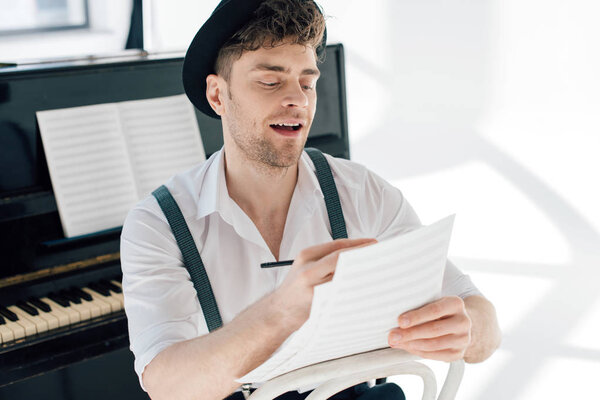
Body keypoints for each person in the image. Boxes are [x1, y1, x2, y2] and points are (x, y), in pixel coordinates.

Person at [120, 0, 502, 399]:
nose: (298, 100)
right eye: (271, 81)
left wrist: (466, 330)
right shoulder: (158, 223)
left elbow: (484, 323)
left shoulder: (363, 192)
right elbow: (168, 386)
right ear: (218, 95)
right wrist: (280, 312)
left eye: (307, 82)